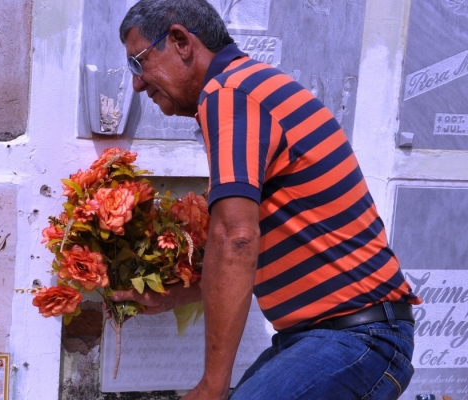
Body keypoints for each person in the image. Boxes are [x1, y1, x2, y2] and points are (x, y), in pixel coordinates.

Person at [111, 1, 422, 399]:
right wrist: (180, 293)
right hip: (339, 335)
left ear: (180, 42)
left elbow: (237, 239)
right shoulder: (247, 87)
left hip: (356, 337)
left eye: (139, 63)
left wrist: (212, 386)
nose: (137, 84)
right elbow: (262, 240)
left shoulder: (231, 94)